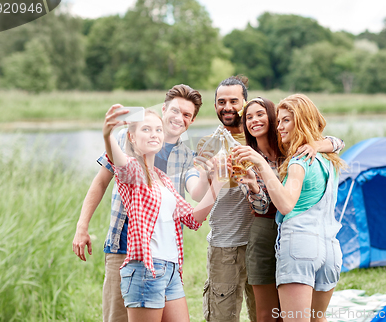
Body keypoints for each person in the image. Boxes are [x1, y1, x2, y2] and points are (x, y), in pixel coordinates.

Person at [72, 84, 203, 322]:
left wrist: (218, 179)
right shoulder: (127, 138)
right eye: (174, 111)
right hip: (124, 246)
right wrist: (82, 226)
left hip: (164, 256)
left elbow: (191, 203)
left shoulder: (186, 156)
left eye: (186, 115)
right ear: (164, 109)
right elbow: (100, 182)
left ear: (191, 121)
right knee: (119, 317)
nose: (178, 118)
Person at [102, 106, 225, 322]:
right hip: (145, 269)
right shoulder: (131, 171)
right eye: (146, 129)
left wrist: (218, 181)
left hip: (171, 269)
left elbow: (192, 219)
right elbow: (116, 159)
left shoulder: (163, 179)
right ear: (131, 136)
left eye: (158, 130)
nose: (154, 134)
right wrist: (107, 133)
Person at [233, 94, 346, 322]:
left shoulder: (298, 158)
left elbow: (285, 204)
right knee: (316, 318)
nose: (281, 126)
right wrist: (254, 186)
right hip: (329, 246)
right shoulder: (328, 160)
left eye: (285, 120)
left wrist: (263, 165)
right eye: (248, 117)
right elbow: (266, 206)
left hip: (299, 243)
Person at [187, 76, 257, 322]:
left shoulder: (260, 136)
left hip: (261, 243)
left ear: (245, 103)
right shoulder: (208, 143)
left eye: (233, 101)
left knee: (266, 315)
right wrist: (209, 174)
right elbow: (196, 193)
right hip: (224, 244)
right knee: (221, 317)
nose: (227, 107)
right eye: (221, 102)